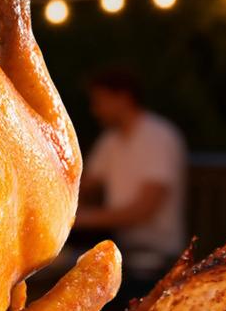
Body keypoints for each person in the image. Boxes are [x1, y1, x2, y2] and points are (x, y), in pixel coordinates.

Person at [75, 67, 187, 292]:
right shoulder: (111, 139)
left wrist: (79, 220)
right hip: (124, 251)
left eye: (100, 101)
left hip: (157, 258)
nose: (95, 110)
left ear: (122, 98)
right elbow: (85, 183)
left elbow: (143, 210)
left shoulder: (157, 136)